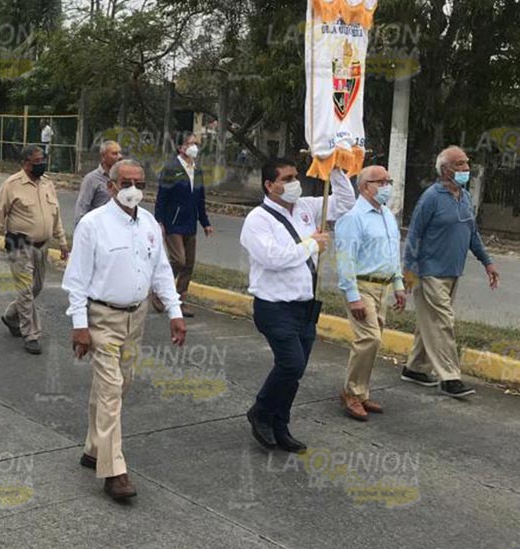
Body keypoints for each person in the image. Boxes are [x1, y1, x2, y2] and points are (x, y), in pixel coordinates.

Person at [64, 159, 186, 501]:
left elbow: (161, 270)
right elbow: (75, 281)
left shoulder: (149, 223)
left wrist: (175, 312)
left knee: (120, 385)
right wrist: (79, 326)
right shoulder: (93, 225)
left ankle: (93, 447)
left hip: (138, 317)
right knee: (110, 389)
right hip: (103, 318)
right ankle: (113, 470)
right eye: (127, 182)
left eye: (140, 183)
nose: (134, 190)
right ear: (112, 186)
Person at [239, 158, 353, 452]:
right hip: (274, 307)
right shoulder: (257, 220)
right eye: (286, 179)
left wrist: (337, 167)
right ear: (269, 185)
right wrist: (313, 244)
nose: (294, 183)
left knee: (295, 370)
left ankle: (280, 424)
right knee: (291, 363)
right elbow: (273, 258)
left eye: (295, 177)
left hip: (305, 306)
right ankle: (261, 412)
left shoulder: (306, 207)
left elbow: (345, 202)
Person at [401, 146, 499, 398]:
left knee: (431, 322)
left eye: (466, 163)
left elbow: (471, 233)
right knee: (443, 322)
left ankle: (415, 368)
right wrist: (408, 271)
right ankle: (450, 377)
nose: (466, 168)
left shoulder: (464, 197)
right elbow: (415, 235)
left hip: (453, 271)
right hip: (430, 271)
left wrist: (487, 262)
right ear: (445, 170)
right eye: (459, 164)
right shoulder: (431, 197)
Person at [334, 165, 406, 420]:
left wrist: (398, 284)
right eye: (381, 182)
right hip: (361, 286)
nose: (387, 186)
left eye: (389, 181)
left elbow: (392, 252)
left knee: (373, 342)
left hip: (383, 286)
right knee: (369, 339)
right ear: (365, 186)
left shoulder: (387, 214)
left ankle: (361, 392)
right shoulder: (353, 218)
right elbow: (345, 259)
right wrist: (352, 295)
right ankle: (351, 392)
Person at [0, 145, 68, 355]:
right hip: (19, 244)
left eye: (43, 159)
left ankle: (11, 316)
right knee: (25, 290)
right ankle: (31, 334)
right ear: (25, 163)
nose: (41, 164)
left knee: (36, 287)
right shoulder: (11, 185)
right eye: (37, 161)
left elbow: (55, 215)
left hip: (42, 245)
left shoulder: (47, 183)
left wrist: (62, 241)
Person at [153, 134, 214, 317]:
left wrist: (205, 223)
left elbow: (200, 199)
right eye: (190, 143)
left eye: (196, 143)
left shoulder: (197, 170)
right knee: (178, 260)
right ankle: (159, 291)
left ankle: (180, 300)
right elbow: (162, 196)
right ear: (181, 148)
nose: (194, 147)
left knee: (188, 264)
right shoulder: (171, 169)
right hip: (173, 222)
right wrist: (159, 221)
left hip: (190, 223)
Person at [74, 140, 122, 224]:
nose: (120, 156)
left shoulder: (122, 179)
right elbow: (82, 207)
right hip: (98, 228)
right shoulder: (91, 179)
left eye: (119, 153)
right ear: (103, 156)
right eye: (115, 153)